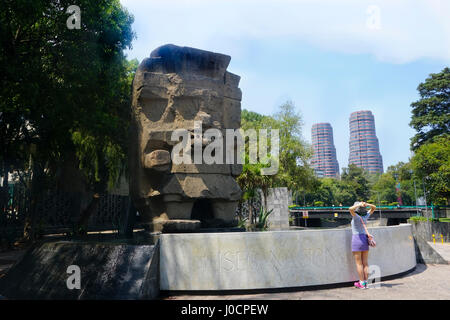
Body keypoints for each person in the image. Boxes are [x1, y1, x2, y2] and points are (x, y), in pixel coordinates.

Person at [349, 201, 376, 289]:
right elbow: (374, 207)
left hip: (356, 239)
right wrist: (367, 204)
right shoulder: (365, 216)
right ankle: (365, 283)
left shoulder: (355, 216)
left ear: (356, 208)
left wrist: (358, 205)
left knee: (359, 264)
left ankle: (361, 283)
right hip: (364, 240)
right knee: (365, 263)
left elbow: (350, 209)